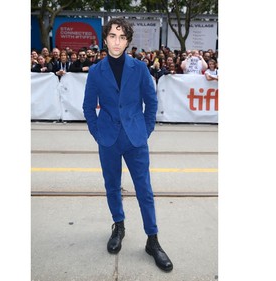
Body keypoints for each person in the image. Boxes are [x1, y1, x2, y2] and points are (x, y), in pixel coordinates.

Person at [83, 17, 173, 273]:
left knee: (144, 189)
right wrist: (98, 133)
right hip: (108, 139)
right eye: (113, 36)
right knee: (112, 186)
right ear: (106, 38)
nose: (117, 41)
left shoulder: (140, 68)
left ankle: (152, 240)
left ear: (128, 41)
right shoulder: (96, 71)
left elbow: (151, 102)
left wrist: (145, 131)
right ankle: (118, 226)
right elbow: (88, 107)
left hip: (135, 138)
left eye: (122, 37)